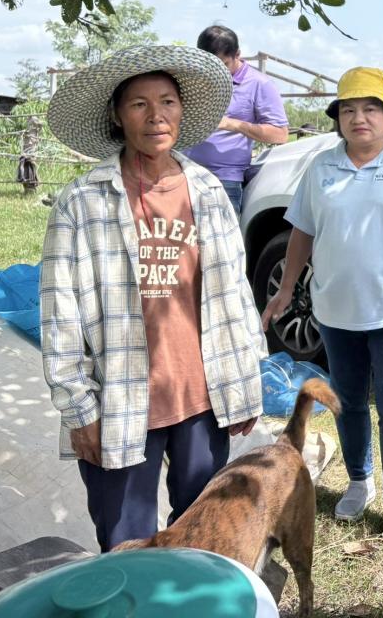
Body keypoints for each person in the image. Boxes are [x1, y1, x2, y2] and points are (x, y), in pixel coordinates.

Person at [41, 45, 266, 553]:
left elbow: (235, 291)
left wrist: (245, 381)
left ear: (181, 112)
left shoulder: (207, 190)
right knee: (127, 546)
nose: (155, 116)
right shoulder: (83, 201)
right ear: (117, 117)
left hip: (201, 396)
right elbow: (60, 311)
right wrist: (79, 408)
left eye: (167, 101)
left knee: (201, 538)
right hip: (119, 400)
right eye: (139, 104)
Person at [261, 67, 383, 556]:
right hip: (335, 311)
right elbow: (303, 232)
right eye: (348, 110)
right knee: (346, 401)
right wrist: (285, 290)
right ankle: (358, 479)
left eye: (371, 108)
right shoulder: (321, 168)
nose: (359, 118)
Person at [187, 24, 289, 214]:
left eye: (223, 64)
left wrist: (232, 124)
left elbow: (280, 134)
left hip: (224, 180)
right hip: (184, 172)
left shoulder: (260, 84)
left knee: (222, 233)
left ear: (237, 55)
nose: (216, 71)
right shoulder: (193, 79)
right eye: (209, 65)